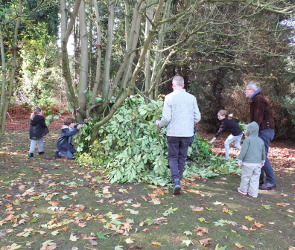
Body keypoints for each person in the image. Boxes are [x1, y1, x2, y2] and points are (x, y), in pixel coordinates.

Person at [155, 75, 201, 195]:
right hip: (187, 133)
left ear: (173, 85)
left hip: (173, 133)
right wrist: (188, 122)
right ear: (183, 85)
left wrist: (159, 124)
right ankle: (178, 180)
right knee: (182, 156)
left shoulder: (169, 97)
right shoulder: (192, 98)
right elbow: (198, 117)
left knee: (173, 156)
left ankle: (176, 181)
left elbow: (166, 118)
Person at [244, 80, 276, 190]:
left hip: (265, 131)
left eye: (246, 89)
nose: (245, 91)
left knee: (262, 156)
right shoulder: (256, 99)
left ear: (252, 90)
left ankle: (271, 181)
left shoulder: (258, 99)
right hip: (263, 130)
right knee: (259, 156)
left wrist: (250, 132)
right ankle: (259, 180)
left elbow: (258, 117)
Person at [237, 121, 265, 198]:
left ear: (249, 131)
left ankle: (243, 190)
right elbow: (263, 151)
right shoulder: (260, 140)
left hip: (248, 163)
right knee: (255, 178)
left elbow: (243, 151)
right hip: (258, 164)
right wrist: (263, 160)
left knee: (246, 177)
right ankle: (253, 193)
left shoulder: (247, 140)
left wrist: (240, 160)